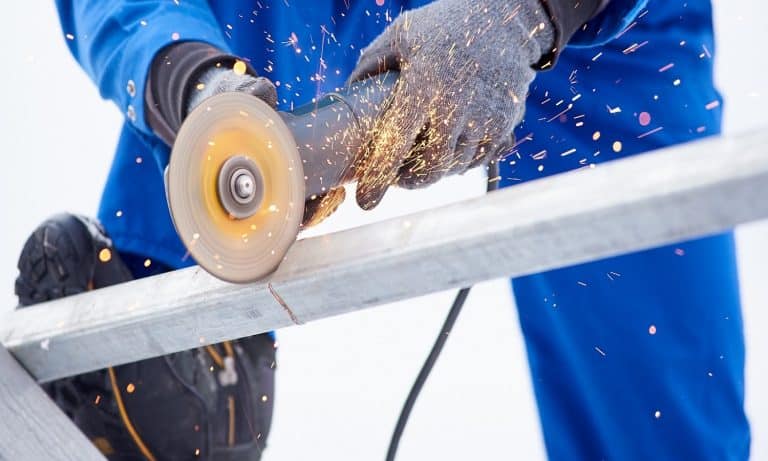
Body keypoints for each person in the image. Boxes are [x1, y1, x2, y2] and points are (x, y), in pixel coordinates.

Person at [13, 0, 749, 459]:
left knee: (660, 406)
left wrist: (529, 11)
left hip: (607, 36)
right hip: (310, 15)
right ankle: (187, 369)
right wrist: (192, 85)